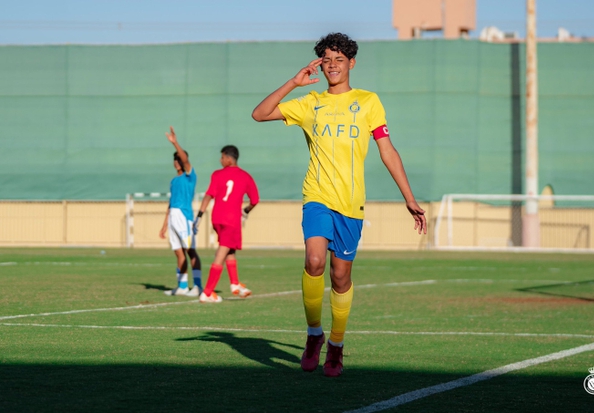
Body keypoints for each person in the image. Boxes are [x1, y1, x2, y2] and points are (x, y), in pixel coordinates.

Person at [251, 32, 427, 377]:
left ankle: (336, 344)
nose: (333, 66)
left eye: (339, 60)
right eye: (327, 60)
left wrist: (409, 197)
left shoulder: (369, 101)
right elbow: (260, 114)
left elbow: (387, 150)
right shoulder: (310, 102)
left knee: (340, 276)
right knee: (314, 261)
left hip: (350, 204)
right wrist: (294, 82)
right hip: (316, 196)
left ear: (352, 63)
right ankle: (314, 334)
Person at [193, 145, 260, 304]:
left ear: (229, 159)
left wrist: (200, 216)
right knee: (221, 253)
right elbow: (255, 200)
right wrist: (246, 211)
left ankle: (235, 283)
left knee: (229, 249)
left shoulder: (217, 174)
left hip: (217, 219)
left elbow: (208, 196)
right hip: (231, 220)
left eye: (222, 157)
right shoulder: (245, 176)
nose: (220, 160)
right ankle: (207, 292)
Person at [159, 126, 202, 297]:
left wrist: (175, 143)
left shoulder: (190, 176)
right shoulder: (174, 181)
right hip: (173, 219)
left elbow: (184, 158)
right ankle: (182, 286)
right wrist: (164, 225)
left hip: (184, 218)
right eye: (175, 159)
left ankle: (197, 286)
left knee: (190, 250)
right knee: (178, 251)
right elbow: (170, 205)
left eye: (179, 158)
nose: (177, 161)